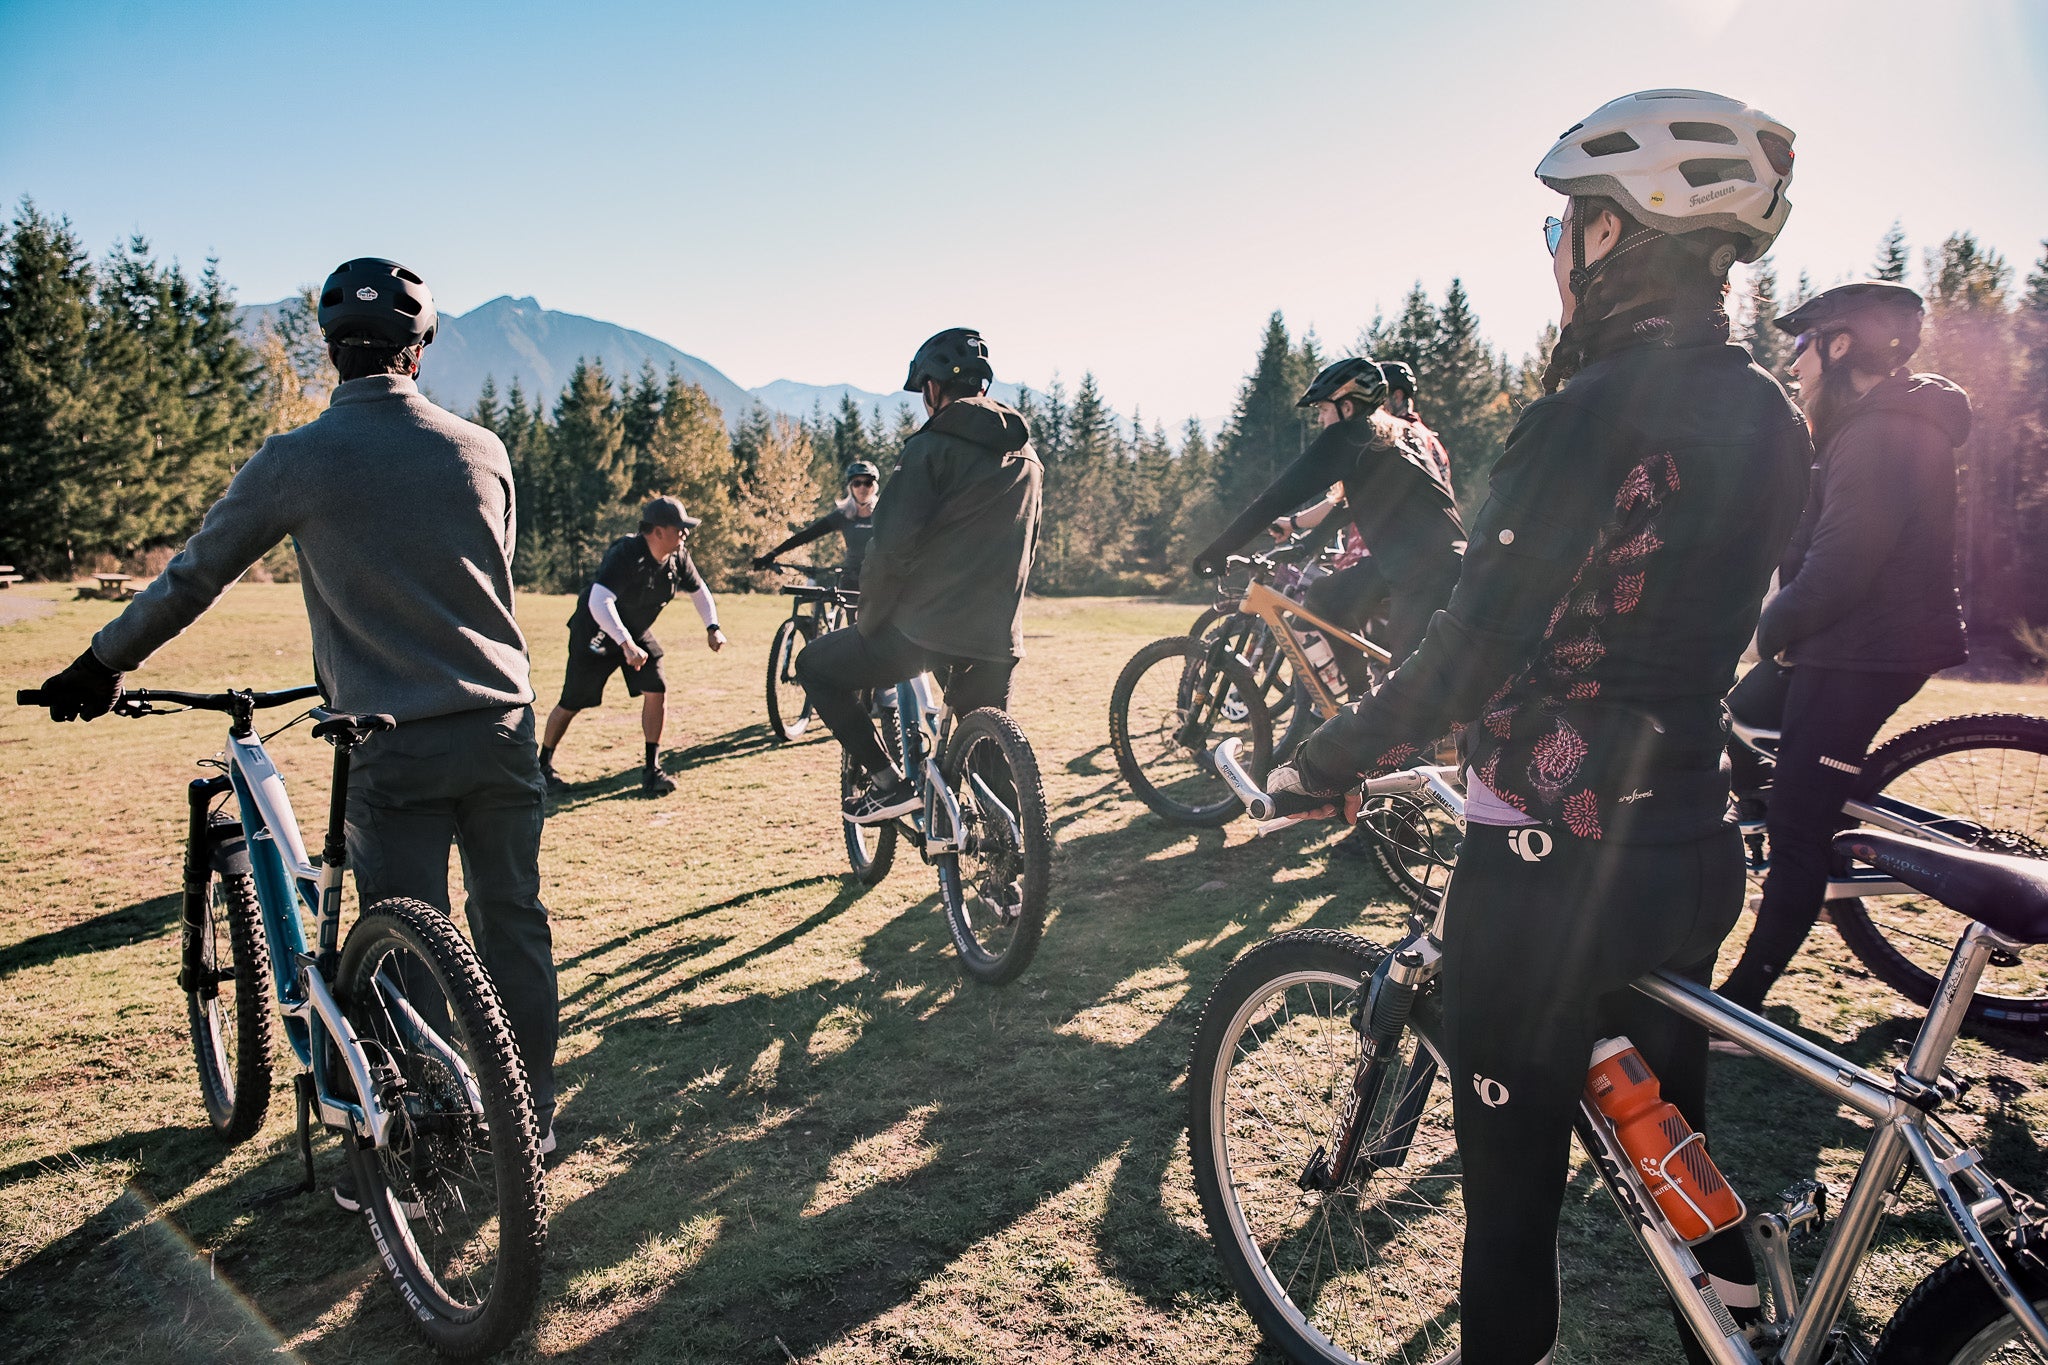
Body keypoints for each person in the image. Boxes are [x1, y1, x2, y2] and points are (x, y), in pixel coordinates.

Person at [1257, 91, 1809, 1363]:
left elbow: (1470, 647)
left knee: (1508, 1216)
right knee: (1680, 1168)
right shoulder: (1773, 417)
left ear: (1617, 235)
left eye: (1566, 224)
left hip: (1548, 865)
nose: (1556, 252)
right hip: (1686, 840)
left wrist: (1320, 762)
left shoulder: (1588, 413)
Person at [33, 256, 562, 1179]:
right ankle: (534, 1122)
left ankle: (427, 1142)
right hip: (501, 726)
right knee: (512, 920)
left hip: (391, 741)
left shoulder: (296, 460)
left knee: (403, 939)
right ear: (420, 348)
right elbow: (490, 574)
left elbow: (195, 576)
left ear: (329, 352)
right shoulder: (485, 450)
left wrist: (99, 663)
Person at [1716, 281, 1970, 1012]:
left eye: (1803, 347)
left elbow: (1842, 565)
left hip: (1863, 651)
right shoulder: (1869, 424)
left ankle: (1742, 1005)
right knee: (1728, 715)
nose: (1794, 366)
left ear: (1839, 346)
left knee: (1799, 827)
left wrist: (1766, 632)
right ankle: (1788, 795)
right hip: (1844, 640)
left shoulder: (1880, 430)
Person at [795, 328, 1042, 824]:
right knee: (989, 754)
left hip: (925, 632)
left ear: (932, 388)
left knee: (815, 667)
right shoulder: (1029, 458)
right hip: (997, 634)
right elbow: (1028, 545)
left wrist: (870, 622)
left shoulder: (930, 448)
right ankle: (1015, 870)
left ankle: (889, 785)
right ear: (984, 386)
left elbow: (890, 549)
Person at [1195, 355, 1465, 672]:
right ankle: (1361, 701)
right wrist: (1305, 545)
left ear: (1347, 407)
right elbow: (1349, 506)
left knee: (1410, 704)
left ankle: (1359, 704)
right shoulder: (1397, 437)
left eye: (1323, 410)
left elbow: (1277, 497)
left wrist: (1216, 552)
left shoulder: (1351, 435)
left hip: (1423, 581)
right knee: (1331, 602)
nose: (1321, 420)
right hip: (1455, 565)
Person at [540, 496, 727, 798]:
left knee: (657, 688)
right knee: (572, 701)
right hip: (597, 632)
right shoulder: (627, 554)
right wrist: (625, 644)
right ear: (657, 531)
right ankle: (543, 767)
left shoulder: (678, 556)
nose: (685, 534)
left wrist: (713, 627)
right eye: (679, 528)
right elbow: (599, 600)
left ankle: (652, 770)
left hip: (635, 631)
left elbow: (699, 590)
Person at [752, 460, 882, 588]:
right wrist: (772, 554)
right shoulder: (843, 515)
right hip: (851, 578)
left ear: (874, 487)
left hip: (880, 578)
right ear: (851, 487)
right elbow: (808, 535)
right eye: (857, 483)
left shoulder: (884, 514)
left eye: (867, 483)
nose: (862, 488)